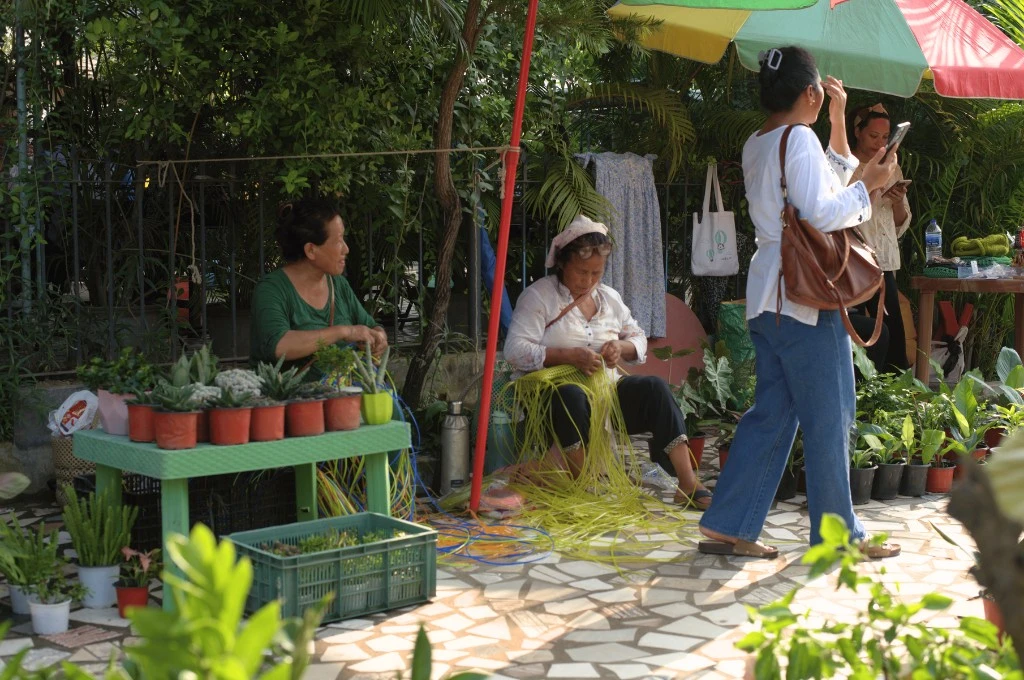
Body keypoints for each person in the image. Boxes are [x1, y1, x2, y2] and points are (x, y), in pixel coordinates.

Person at [697, 46, 901, 558]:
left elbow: (815, 185)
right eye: (821, 94)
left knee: (773, 413)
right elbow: (823, 210)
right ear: (809, 91)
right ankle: (838, 538)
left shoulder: (759, 141)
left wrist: (839, 121)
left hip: (770, 294)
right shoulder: (799, 141)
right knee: (831, 413)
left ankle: (729, 523)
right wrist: (869, 189)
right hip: (804, 300)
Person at [504, 215, 712, 510]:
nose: (588, 281)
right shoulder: (539, 297)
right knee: (571, 395)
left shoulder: (610, 298)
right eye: (581, 272)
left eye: (596, 273)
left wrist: (621, 348)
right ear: (563, 263)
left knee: (654, 388)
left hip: (606, 397)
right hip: (553, 401)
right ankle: (584, 481)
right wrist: (568, 356)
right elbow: (514, 350)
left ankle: (688, 482)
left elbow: (638, 338)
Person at [250, 198, 387, 374]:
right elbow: (279, 346)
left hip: (343, 397)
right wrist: (343, 332)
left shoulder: (338, 285)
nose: (346, 249)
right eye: (338, 241)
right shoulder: (271, 289)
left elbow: (370, 325)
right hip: (291, 399)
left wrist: (379, 337)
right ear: (311, 250)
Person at [847, 103, 912, 371]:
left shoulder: (892, 167)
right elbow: (841, 215)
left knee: (892, 325)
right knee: (860, 327)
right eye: (873, 136)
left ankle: (894, 382)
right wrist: (872, 194)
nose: (879, 143)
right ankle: (865, 380)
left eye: (885, 138)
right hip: (854, 260)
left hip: (885, 260)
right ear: (857, 131)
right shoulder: (846, 166)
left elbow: (901, 222)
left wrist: (896, 201)